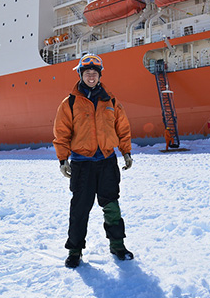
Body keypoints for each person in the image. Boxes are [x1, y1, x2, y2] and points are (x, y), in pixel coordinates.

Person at [53, 53, 134, 268]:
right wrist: (63, 160)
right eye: (87, 72)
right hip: (82, 163)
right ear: (80, 74)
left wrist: (126, 152)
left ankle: (117, 245)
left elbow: (122, 128)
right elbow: (62, 133)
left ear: (99, 75)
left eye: (94, 72)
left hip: (107, 161)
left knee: (111, 205)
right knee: (79, 208)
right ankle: (74, 251)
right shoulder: (69, 103)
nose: (91, 75)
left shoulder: (111, 100)